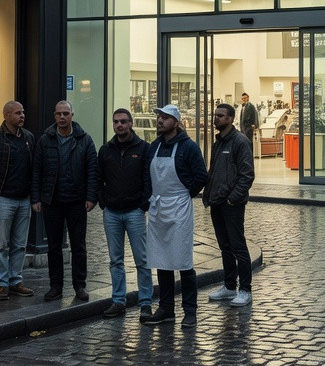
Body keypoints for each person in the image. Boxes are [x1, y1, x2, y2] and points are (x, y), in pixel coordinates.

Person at [141, 105, 208, 328]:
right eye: (159, 117)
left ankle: (190, 311)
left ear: (176, 122)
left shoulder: (189, 147)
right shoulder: (154, 146)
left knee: (183, 261)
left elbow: (201, 177)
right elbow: (147, 177)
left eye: (165, 118)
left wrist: (184, 194)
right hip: (159, 207)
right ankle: (166, 309)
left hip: (179, 207)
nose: (160, 121)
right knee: (162, 260)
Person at [31, 100, 98, 301]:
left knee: (79, 246)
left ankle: (80, 286)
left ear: (72, 116)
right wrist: (36, 197)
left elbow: (92, 170)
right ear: (54, 116)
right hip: (52, 201)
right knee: (54, 247)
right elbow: (37, 171)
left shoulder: (84, 140)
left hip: (77, 201)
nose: (62, 117)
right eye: (59, 114)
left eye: (66, 114)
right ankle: (56, 286)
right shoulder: (45, 140)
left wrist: (91, 196)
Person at [98, 108, 152, 318]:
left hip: (134, 212)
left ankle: (145, 302)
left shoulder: (144, 148)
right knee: (115, 260)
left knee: (142, 260)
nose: (119, 125)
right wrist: (103, 202)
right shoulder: (106, 150)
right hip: (111, 212)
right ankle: (118, 300)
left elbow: (148, 179)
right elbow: (98, 177)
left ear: (130, 123)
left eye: (123, 121)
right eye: (116, 122)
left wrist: (143, 205)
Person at [0, 100, 35, 301]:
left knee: (20, 244)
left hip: (24, 199)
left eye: (23, 112)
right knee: (1, 244)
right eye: (18, 113)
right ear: (6, 115)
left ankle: (15, 280)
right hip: (3, 199)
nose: (22, 116)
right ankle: (1, 283)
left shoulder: (28, 138)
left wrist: (34, 197)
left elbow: (34, 171)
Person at [205, 102, 256, 307]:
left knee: (238, 247)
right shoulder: (219, 142)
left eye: (220, 116)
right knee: (225, 246)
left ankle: (245, 289)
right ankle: (229, 286)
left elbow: (247, 175)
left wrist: (232, 198)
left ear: (231, 119)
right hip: (217, 201)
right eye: (215, 115)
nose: (216, 118)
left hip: (231, 204)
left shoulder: (240, 142)